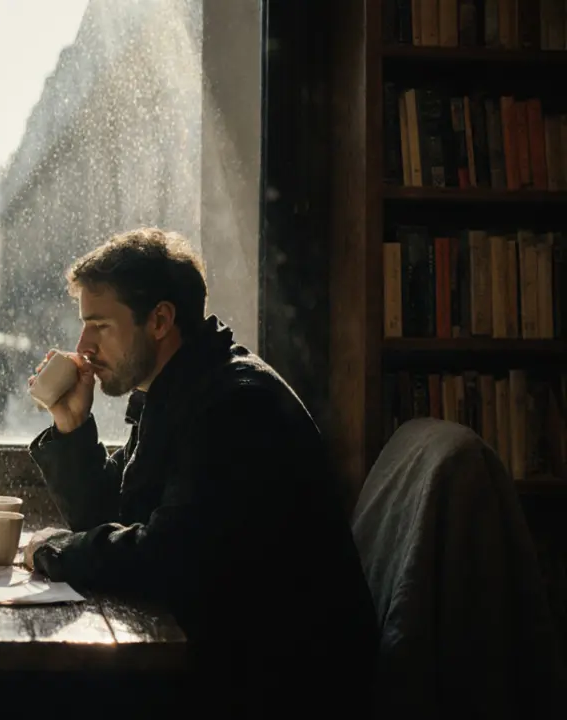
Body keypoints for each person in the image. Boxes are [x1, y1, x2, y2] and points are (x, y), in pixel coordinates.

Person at [22, 228, 378, 717]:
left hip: (281, 687)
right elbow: (109, 514)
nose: (82, 348)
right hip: (230, 660)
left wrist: (54, 551)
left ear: (161, 319)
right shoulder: (175, 391)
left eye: (100, 325)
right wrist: (73, 427)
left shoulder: (234, 406)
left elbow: (167, 558)